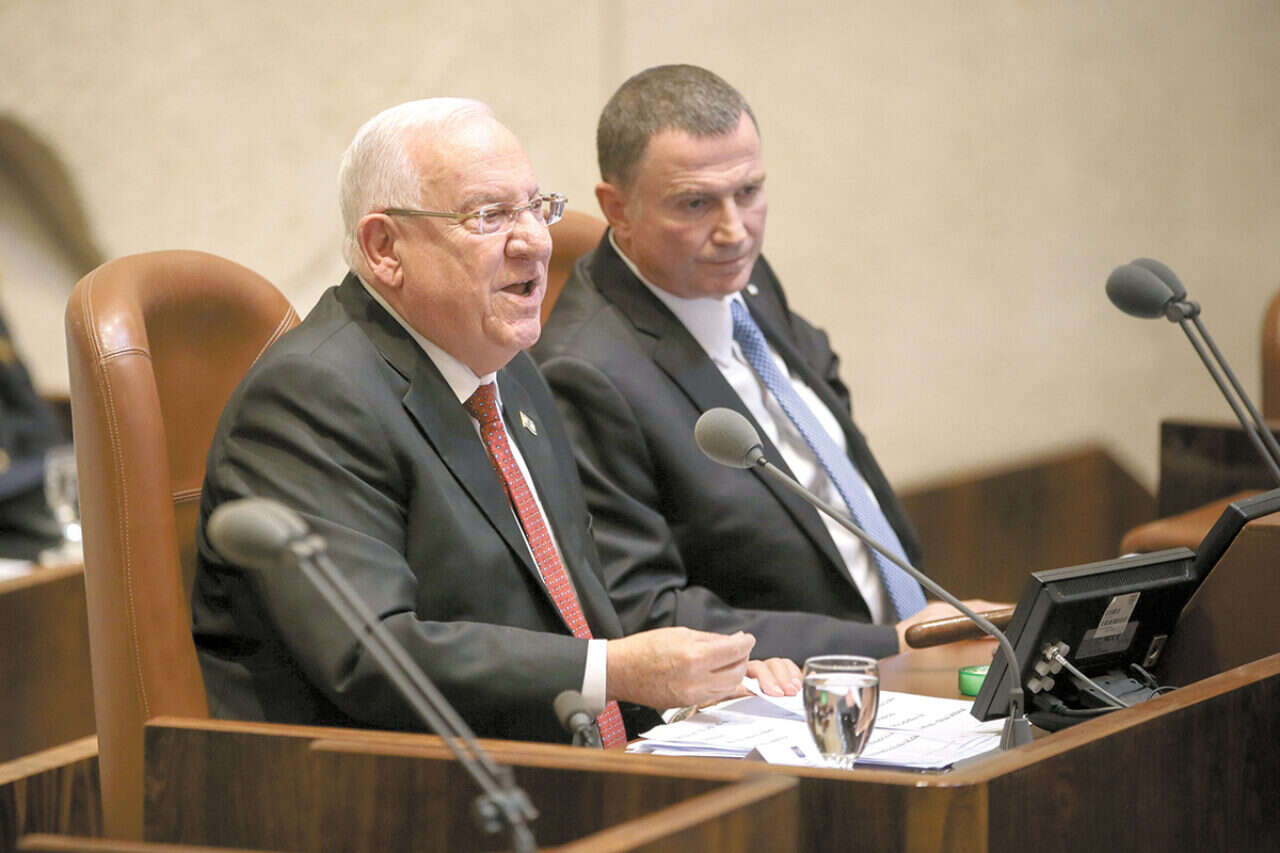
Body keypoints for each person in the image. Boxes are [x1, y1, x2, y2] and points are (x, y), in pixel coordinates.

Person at [191, 98, 799, 747]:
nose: (535, 241)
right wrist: (616, 671)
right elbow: (373, 651)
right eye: (489, 216)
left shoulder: (509, 371)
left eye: (536, 207)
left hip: (572, 765)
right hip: (391, 784)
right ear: (384, 247)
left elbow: (577, 610)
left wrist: (701, 683)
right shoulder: (311, 396)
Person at [533, 65, 981, 663]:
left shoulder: (740, 278)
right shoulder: (583, 373)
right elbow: (648, 611)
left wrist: (928, 631)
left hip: (913, 643)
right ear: (618, 209)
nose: (735, 231)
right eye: (696, 203)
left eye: (749, 192)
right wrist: (888, 647)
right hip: (789, 687)